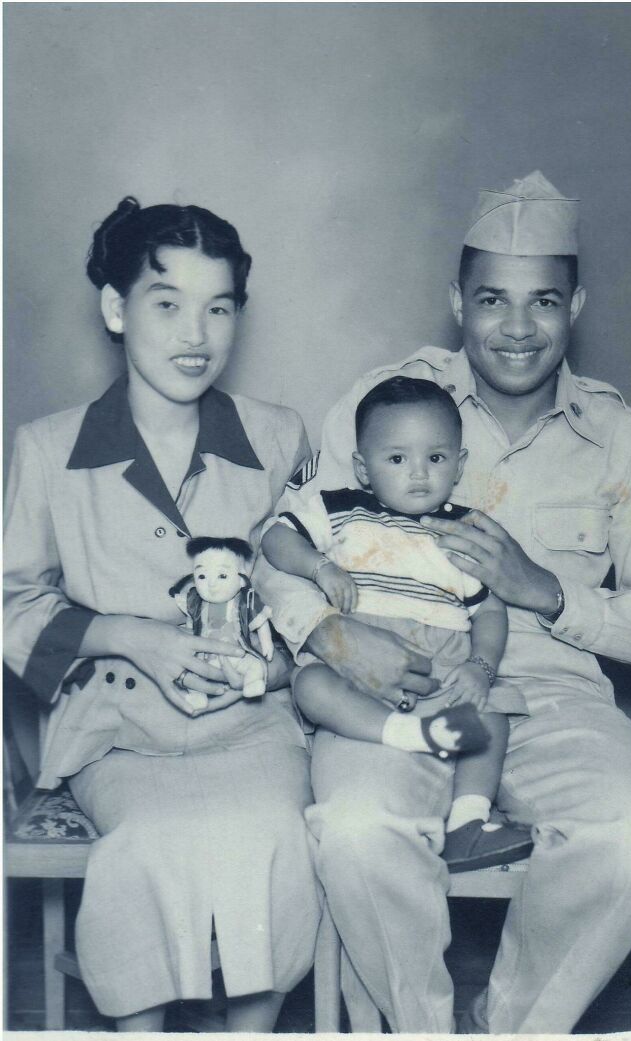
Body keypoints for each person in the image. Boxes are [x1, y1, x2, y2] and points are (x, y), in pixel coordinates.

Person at [256, 171, 631, 1033]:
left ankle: (510, 1028)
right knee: (355, 830)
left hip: (553, 700)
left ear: (577, 307)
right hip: (397, 685)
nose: (518, 328)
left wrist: (546, 591)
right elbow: (280, 543)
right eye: (493, 299)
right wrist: (333, 634)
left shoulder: (623, 441)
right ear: (458, 302)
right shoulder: (388, 404)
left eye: (544, 301)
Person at [3, 198, 321, 1031]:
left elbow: (312, 585)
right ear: (116, 309)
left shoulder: (279, 437)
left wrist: (281, 663)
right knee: (148, 844)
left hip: (254, 725)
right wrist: (128, 636)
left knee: (271, 832)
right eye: (167, 303)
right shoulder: (48, 448)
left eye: (218, 308)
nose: (195, 334)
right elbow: (11, 602)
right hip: (117, 731)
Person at [262, 375, 534, 870]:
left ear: (459, 465)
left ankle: (468, 820)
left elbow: (490, 611)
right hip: (360, 661)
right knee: (310, 685)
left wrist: (480, 666)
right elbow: (276, 539)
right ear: (363, 468)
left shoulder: (465, 532)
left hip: (442, 662)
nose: (419, 474)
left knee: (494, 712)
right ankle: (407, 735)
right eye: (396, 459)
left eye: (436, 458)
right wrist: (320, 567)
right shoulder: (340, 510)